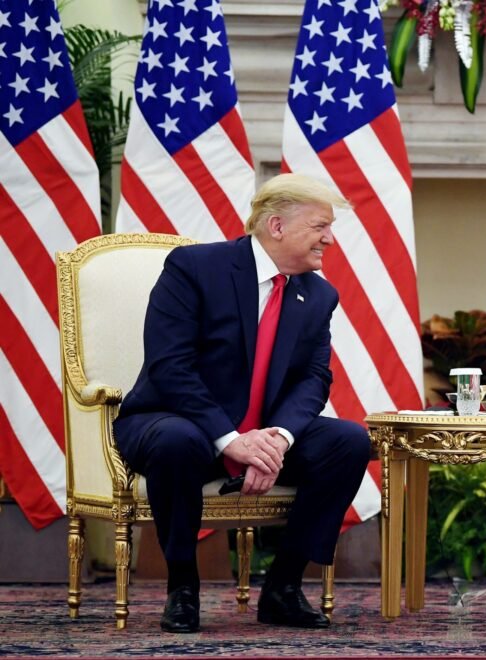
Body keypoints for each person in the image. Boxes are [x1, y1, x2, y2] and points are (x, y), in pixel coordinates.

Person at [114, 174, 371, 633]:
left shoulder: (318, 294)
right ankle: (183, 587)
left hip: (262, 433)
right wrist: (232, 440)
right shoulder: (194, 268)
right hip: (176, 421)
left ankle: (284, 587)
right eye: (319, 226)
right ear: (276, 226)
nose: (329, 239)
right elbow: (171, 367)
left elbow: (315, 378)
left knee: (348, 441)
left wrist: (279, 438)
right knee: (177, 441)